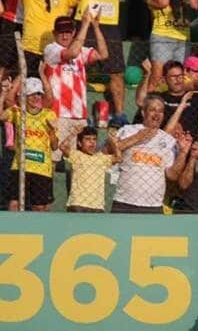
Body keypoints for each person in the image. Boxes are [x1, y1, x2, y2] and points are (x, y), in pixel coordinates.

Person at [42, 12, 108, 158]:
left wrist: (95, 27)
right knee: (53, 157)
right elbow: (71, 53)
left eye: (68, 32)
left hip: (79, 116)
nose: (65, 36)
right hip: (57, 114)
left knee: (78, 161)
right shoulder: (51, 49)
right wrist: (85, 24)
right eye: (61, 33)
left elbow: (103, 54)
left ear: (73, 33)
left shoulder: (80, 51)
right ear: (54, 33)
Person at [111, 94, 188, 213]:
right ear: (143, 112)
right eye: (152, 110)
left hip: (154, 205)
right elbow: (111, 151)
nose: (157, 114)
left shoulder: (168, 141)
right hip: (124, 202)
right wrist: (137, 137)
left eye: (160, 111)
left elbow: (172, 175)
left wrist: (183, 153)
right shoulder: (128, 130)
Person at [0, 76, 57, 210]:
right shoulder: (18, 113)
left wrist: (52, 131)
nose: (36, 97)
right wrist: (3, 94)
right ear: (24, 97)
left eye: (38, 94)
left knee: (40, 207)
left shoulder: (49, 114)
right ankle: (13, 231)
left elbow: (54, 146)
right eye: (31, 94)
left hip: (42, 169)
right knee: (14, 204)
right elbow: (1, 115)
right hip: (20, 166)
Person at [60, 125, 120, 212]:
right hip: (78, 204)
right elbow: (62, 147)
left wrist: (112, 141)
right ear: (80, 143)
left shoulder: (101, 157)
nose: (92, 142)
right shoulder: (77, 155)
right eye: (87, 139)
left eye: (94, 139)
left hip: (97, 206)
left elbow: (118, 158)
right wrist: (73, 133)